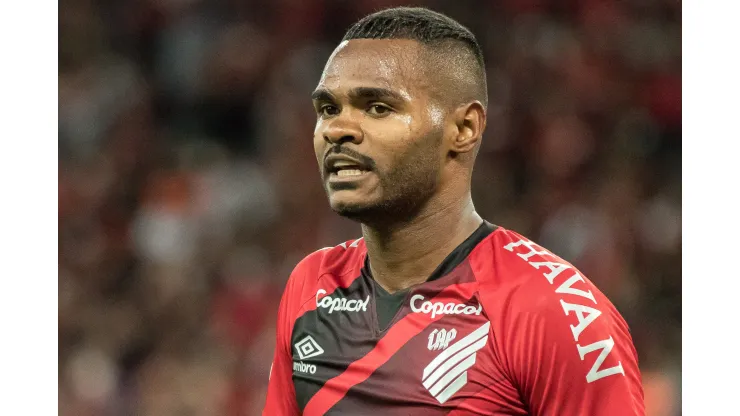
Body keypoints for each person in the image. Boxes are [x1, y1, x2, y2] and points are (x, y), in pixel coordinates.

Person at [263, 6, 645, 415]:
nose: (338, 129)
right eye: (328, 109)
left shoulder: (550, 309)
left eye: (377, 107)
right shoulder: (312, 286)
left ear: (463, 129)